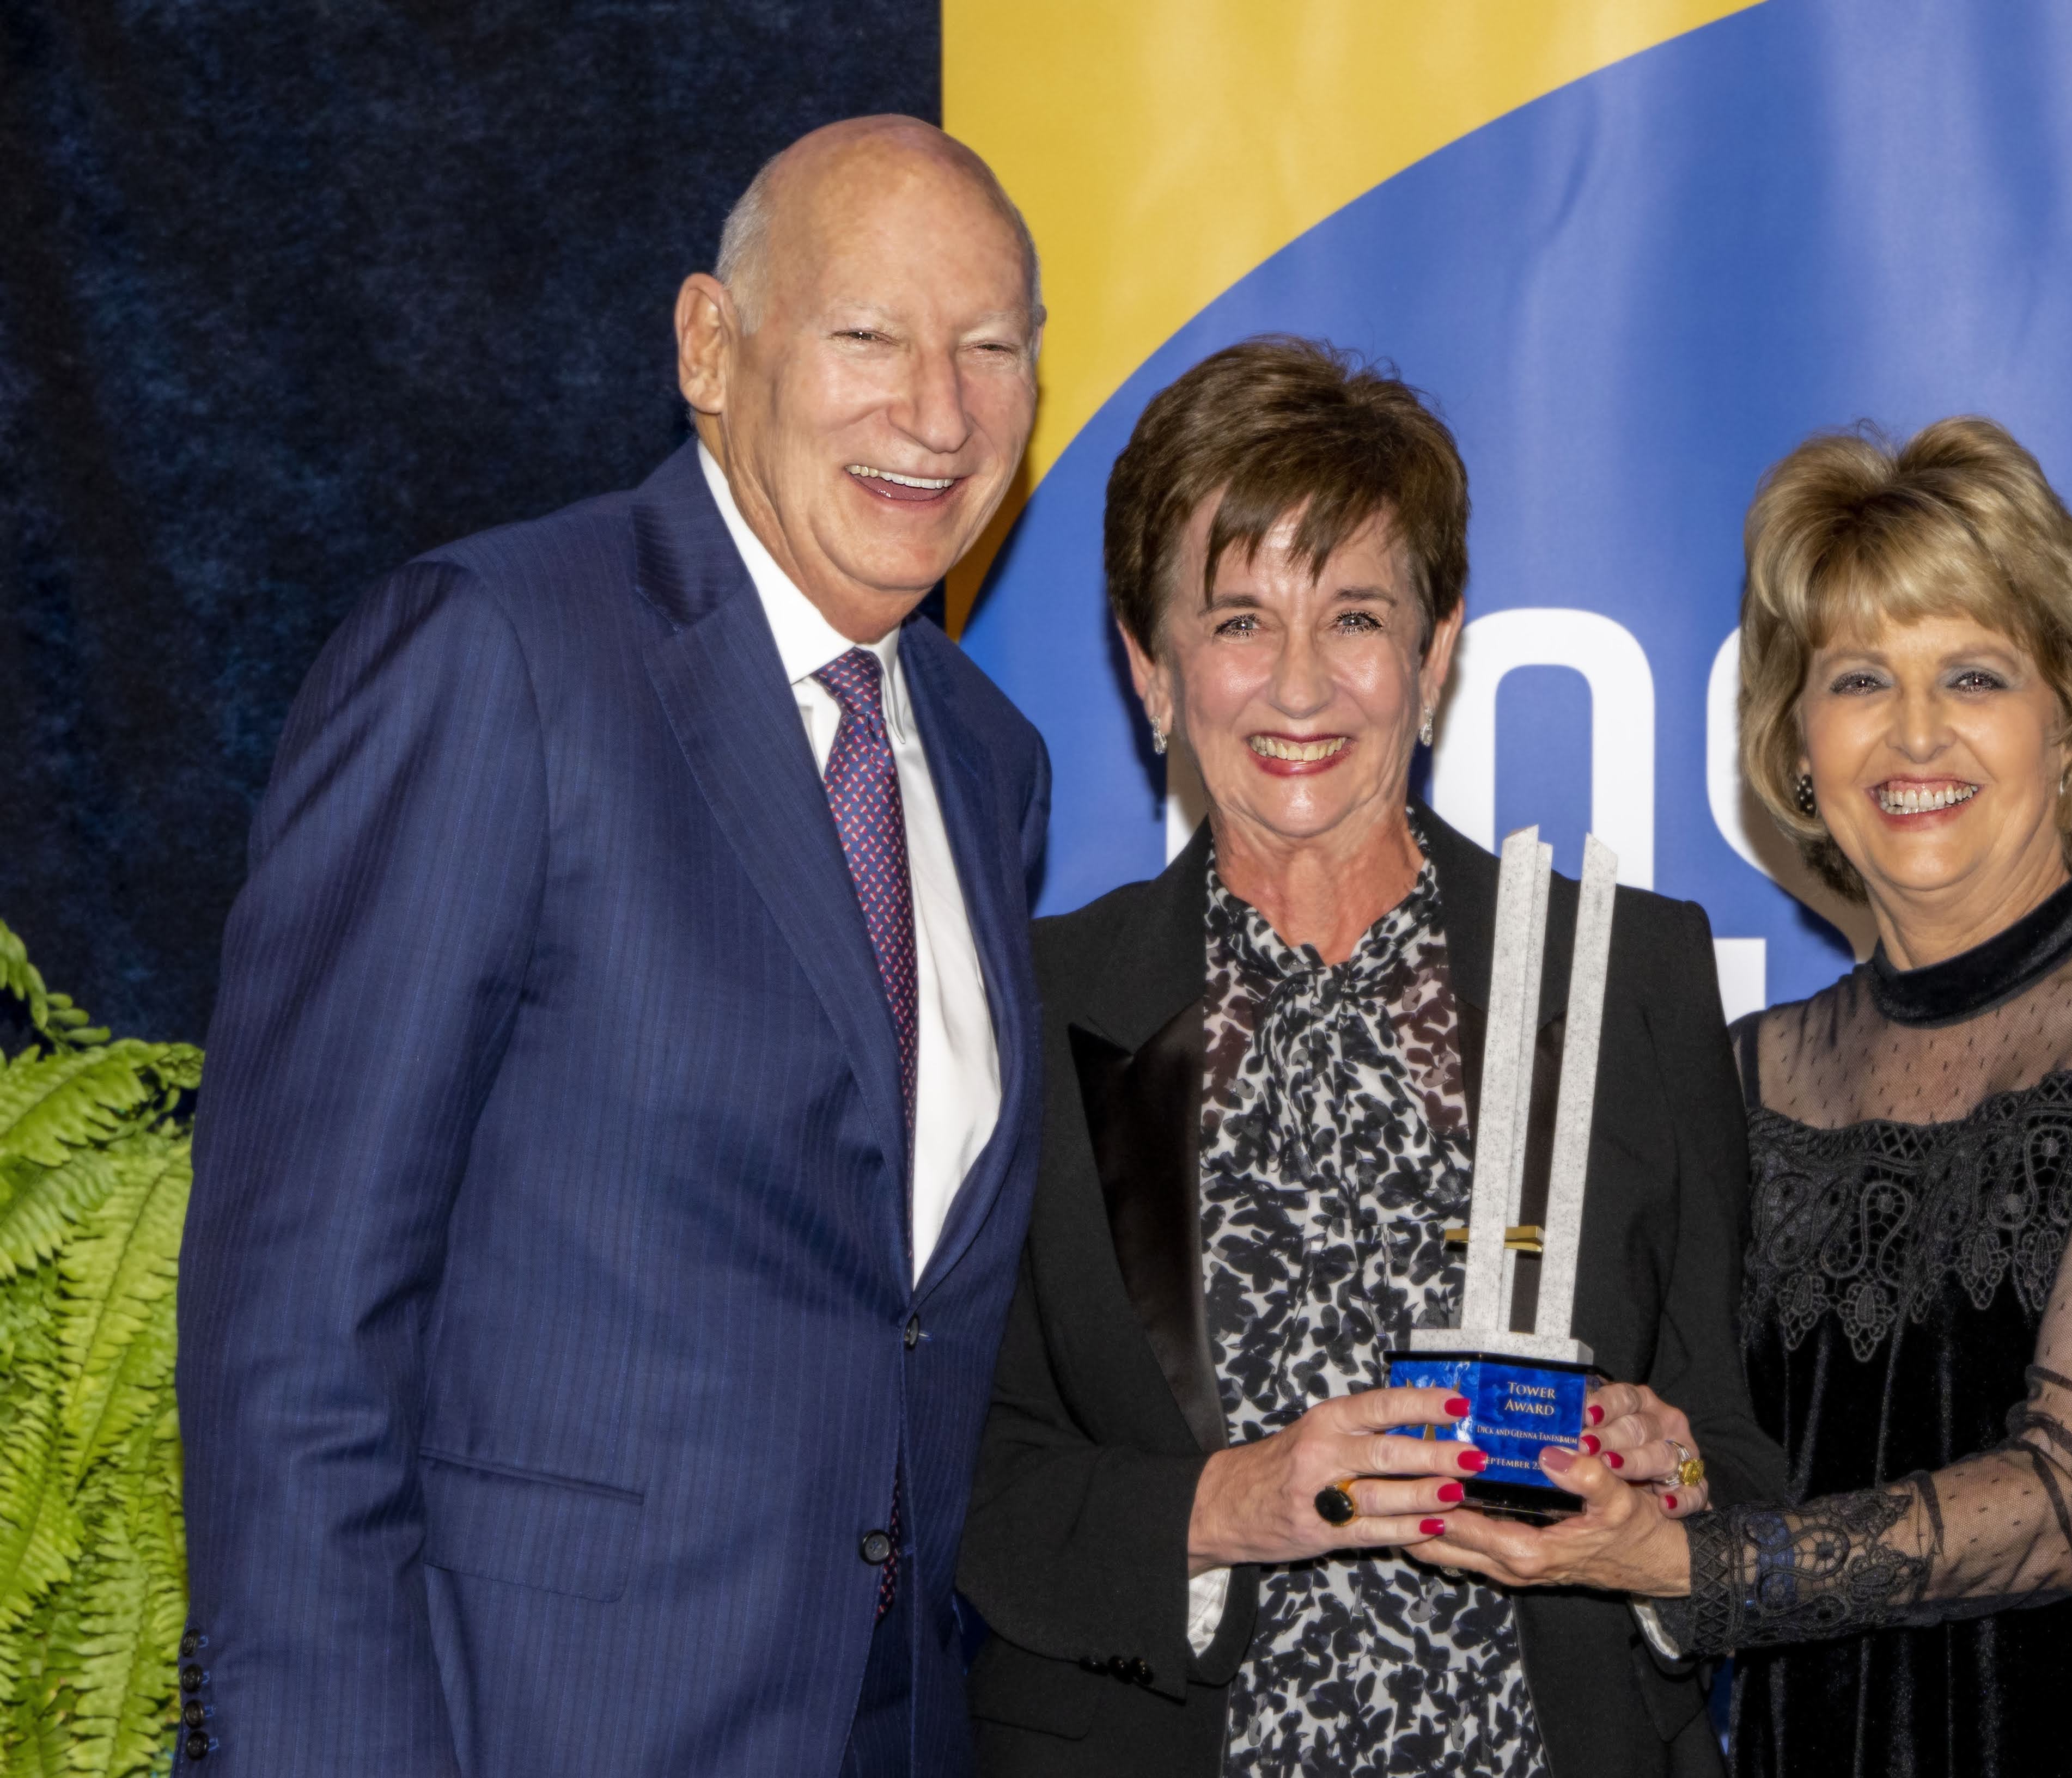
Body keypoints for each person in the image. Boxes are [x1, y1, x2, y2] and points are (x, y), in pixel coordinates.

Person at [175, 118, 1049, 1777]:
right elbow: (292, 1330)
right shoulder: (499, 656)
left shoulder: (992, 758)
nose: (938, 413)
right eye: (868, 334)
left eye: (990, 347)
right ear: (709, 347)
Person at [1424, 417, 2072, 1775]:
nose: (1912, 734)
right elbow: (1766, 1457)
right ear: (1795, 750)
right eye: (1856, 681)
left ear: (2071, 718)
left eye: (1971, 674)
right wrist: (1659, 1461)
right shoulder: (1746, 1072)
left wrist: (1688, 1556)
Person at [955, 337, 1784, 1776]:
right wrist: (1233, 1502)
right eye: (1234, 622)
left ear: (1435, 651)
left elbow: (1733, 1456)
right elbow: (966, 1479)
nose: (1297, 689)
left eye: (1351, 616)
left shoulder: (1629, 975)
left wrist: (1669, 1495)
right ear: (1150, 670)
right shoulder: (1030, 1004)